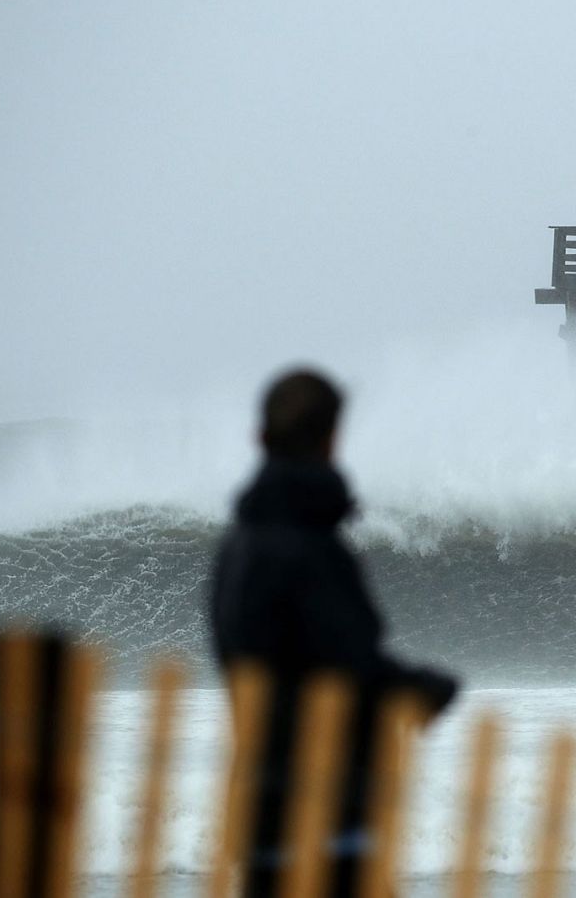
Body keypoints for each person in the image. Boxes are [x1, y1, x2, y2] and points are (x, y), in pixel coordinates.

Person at [209, 368, 458, 897]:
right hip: (328, 822)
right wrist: (425, 688)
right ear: (331, 441)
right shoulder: (309, 548)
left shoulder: (235, 547)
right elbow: (350, 669)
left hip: (263, 813)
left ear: (260, 439)